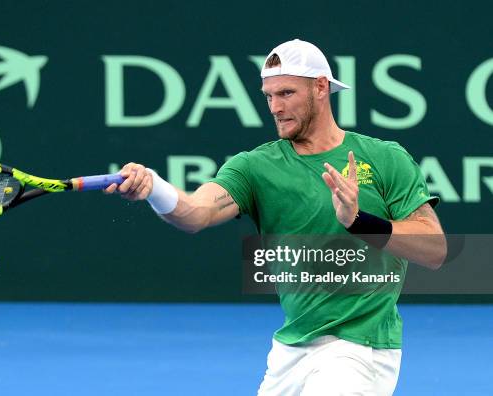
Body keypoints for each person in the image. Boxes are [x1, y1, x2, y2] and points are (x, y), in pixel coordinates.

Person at [103, 39, 446, 395]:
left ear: (320, 87)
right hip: (291, 350)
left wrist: (360, 222)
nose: (275, 107)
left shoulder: (385, 158)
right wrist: (154, 187)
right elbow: (195, 213)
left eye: (286, 93)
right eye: (269, 96)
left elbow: (435, 250)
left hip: (361, 349)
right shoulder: (254, 167)